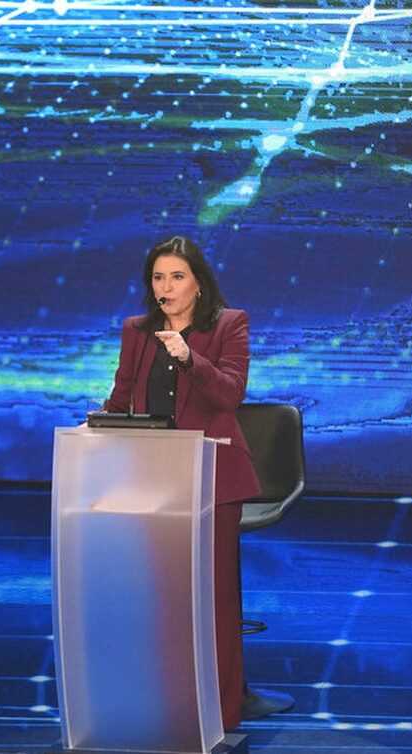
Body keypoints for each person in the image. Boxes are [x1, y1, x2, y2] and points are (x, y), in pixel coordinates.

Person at [103, 235, 261, 730]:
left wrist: (190, 357)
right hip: (155, 478)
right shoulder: (137, 330)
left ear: (198, 284)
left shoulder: (229, 324)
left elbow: (230, 395)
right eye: (158, 277)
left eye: (177, 277)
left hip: (213, 478)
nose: (165, 287)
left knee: (214, 601)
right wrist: (95, 426)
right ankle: (167, 701)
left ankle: (222, 713)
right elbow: (122, 397)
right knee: (161, 595)